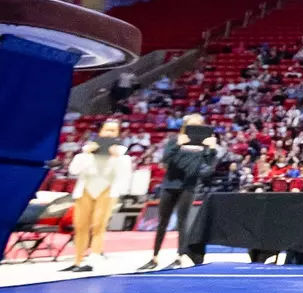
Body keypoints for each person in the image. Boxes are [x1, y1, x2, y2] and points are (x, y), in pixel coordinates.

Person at [140, 114, 220, 271]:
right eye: (191, 125)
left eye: (198, 125)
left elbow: (208, 169)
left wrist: (211, 150)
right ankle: (154, 257)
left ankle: (180, 256)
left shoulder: (204, 146)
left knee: (182, 222)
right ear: (185, 126)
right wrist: (178, 144)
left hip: (188, 186)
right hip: (170, 185)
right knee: (162, 222)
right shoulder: (174, 141)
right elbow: (165, 161)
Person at [64, 119, 132, 273]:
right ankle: (78, 261)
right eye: (107, 130)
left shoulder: (123, 156)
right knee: (80, 226)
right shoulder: (86, 151)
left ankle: (92, 260)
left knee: (98, 226)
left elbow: (124, 175)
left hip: (106, 191)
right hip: (85, 190)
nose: (109, 133)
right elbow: (73, 170)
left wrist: (116, 158)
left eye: (113, 131)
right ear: (100, 132)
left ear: (118, 134)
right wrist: (85, 153)